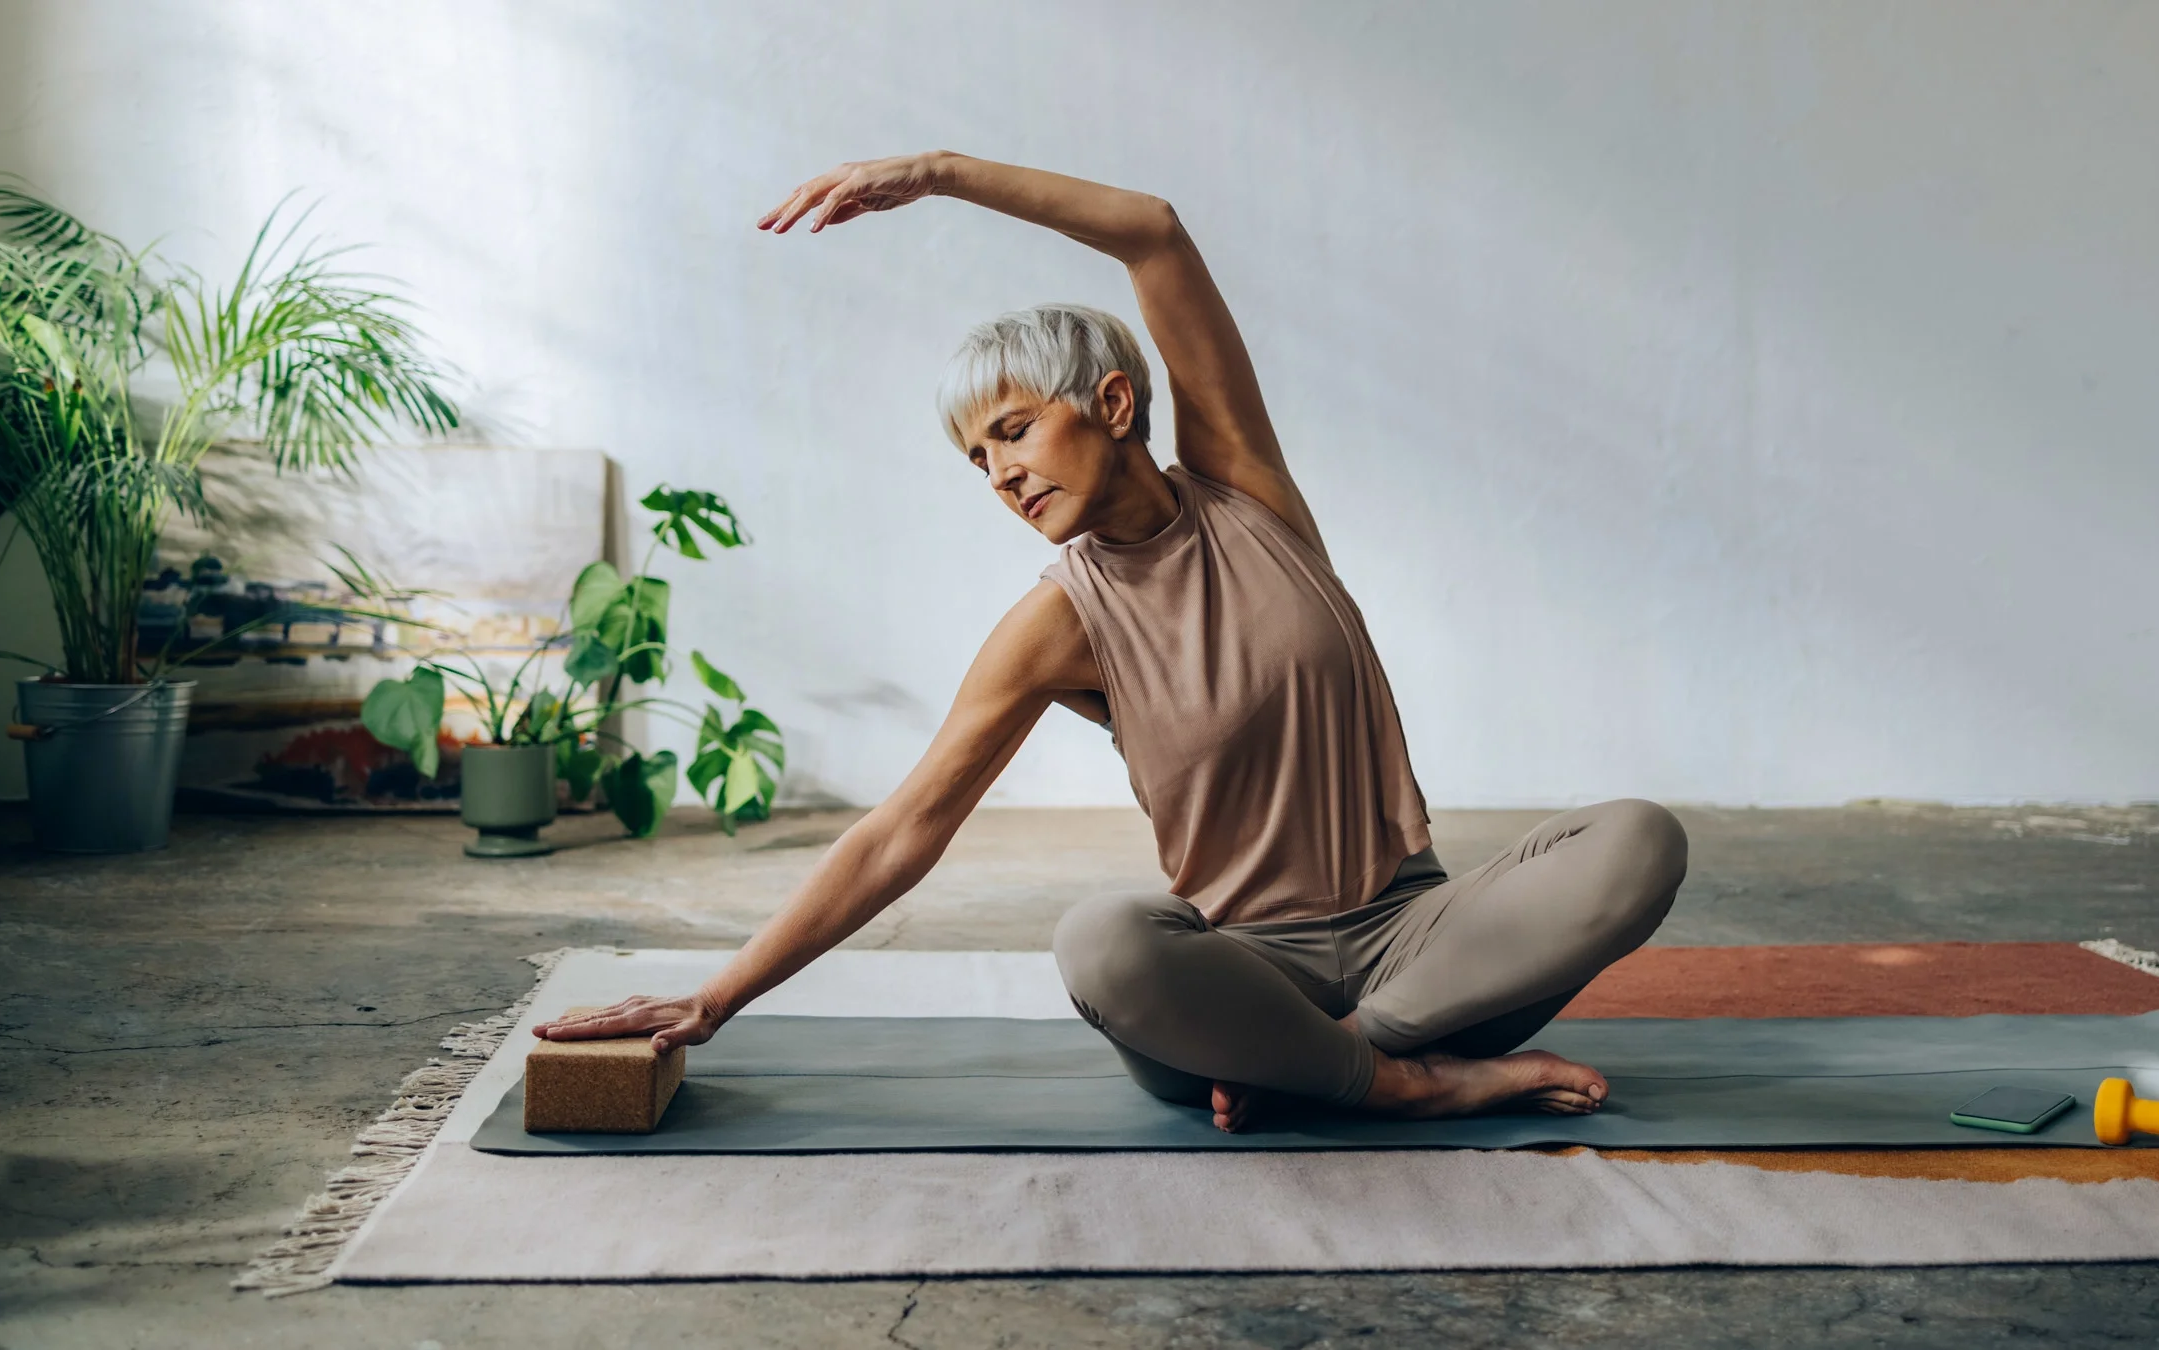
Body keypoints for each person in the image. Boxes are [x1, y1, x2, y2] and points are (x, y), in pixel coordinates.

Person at [536, 152, 1688, 1132]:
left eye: (1016, 430)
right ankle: (1396, 1084)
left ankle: (1348, 1067)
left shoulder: (1248, 490)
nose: (1001, 474)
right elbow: (903, 832)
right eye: (978, 460)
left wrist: (932, 172)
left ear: (1117, 404)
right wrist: (715, 998)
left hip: (1420, 951)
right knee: (1103, 941)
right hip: (1238, 981)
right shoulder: (1056, 624)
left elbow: (1155, 235)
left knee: (1637, 839)